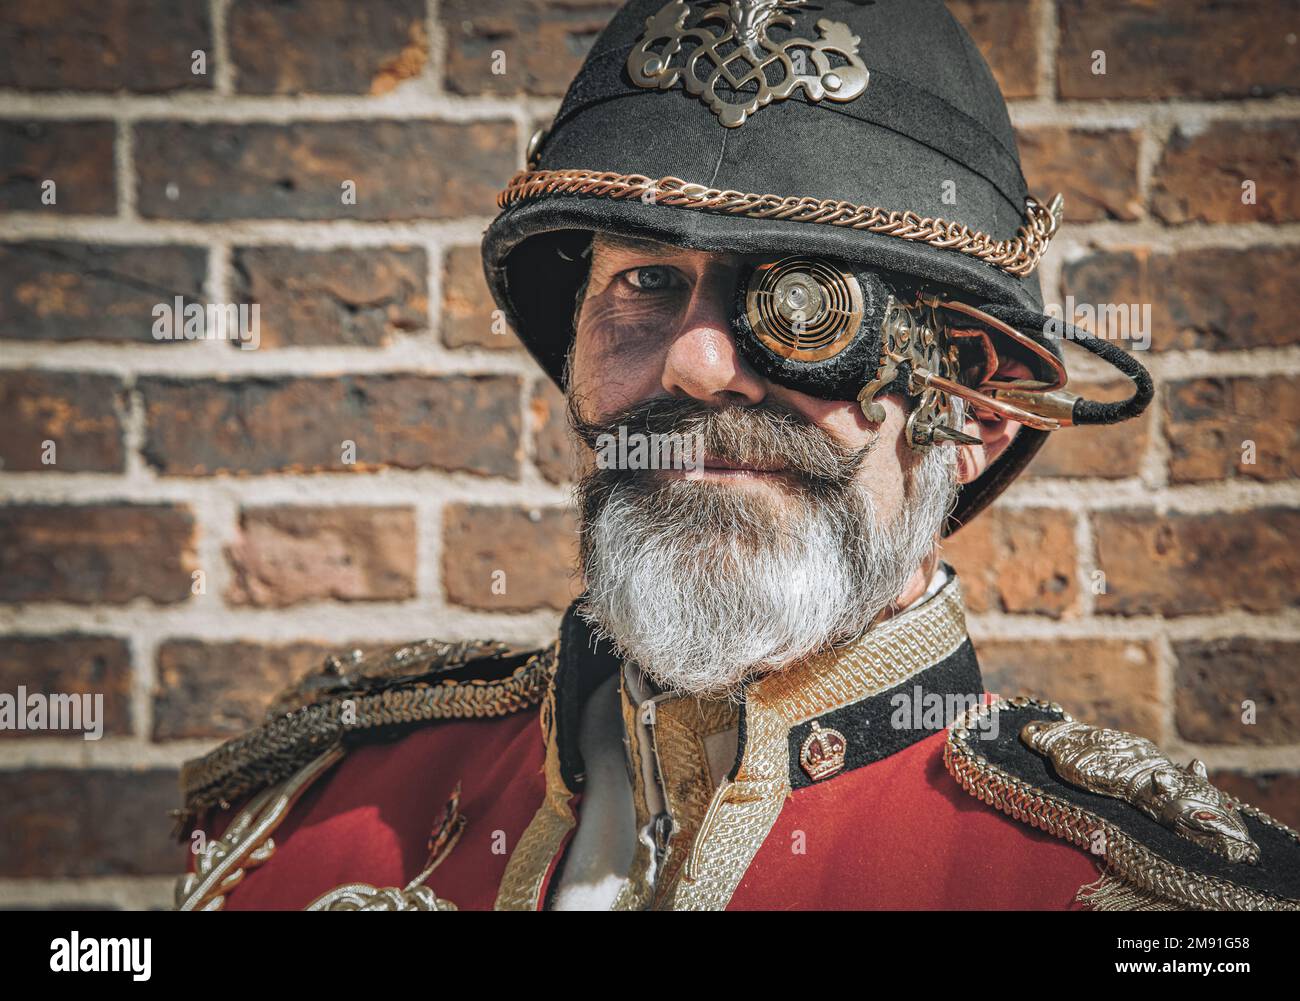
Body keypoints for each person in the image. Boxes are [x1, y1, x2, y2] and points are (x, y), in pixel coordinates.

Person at [171, 0, 1299, 911]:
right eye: (645, 285)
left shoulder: (1132, 902)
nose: (699, 365)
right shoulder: (324, 814)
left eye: (806, 305)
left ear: (981, 407)